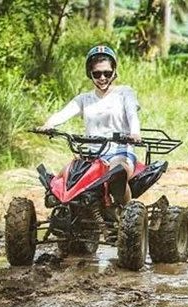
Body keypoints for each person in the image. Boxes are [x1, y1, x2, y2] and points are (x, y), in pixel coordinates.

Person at [38, 45, 141, 203]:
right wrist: (48, 125)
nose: (102, 78)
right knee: (60, 181)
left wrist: (134, 133)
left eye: (107, 73)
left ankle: (127, 214)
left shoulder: (124, 93)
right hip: (90, 156)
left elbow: (132, 114)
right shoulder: (84, 99)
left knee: (116, 174)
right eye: (97, 73)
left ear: (114, 71)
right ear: (90, 74)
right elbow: (63, 113)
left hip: (119, 153)